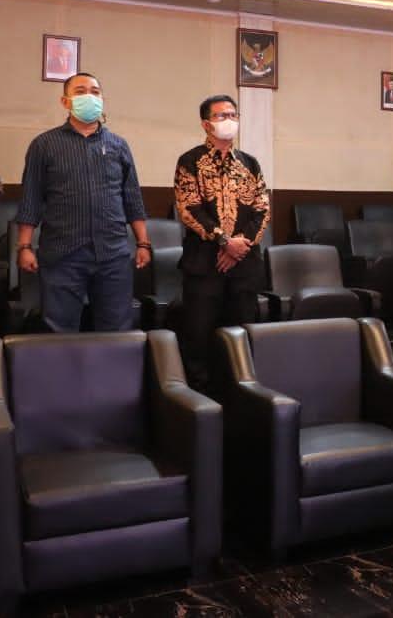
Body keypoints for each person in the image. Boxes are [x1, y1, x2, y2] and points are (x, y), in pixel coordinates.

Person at [16, 72, 151, 333]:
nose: (89, 96)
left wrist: (143, 243)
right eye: (80, 92)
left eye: (95, 92)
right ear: (65, 101)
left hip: (112, 254)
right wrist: (24, 246)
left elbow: (132, 197)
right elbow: (31, 197)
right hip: (62, 253)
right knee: (59, 330)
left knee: (116, 330)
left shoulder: (119, 145)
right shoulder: (44, 144)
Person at [173, 95, 269, 390]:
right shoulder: (190, 161)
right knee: (199, 338)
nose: (229, 120)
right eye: (221, 116)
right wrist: (224, 241)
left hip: (244, 266)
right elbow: (189, 209)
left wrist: (239, 247)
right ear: (206, 124)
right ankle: (200, 400)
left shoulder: (250, 163)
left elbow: (262, 209)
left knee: (241, 336)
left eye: (233, 115)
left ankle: (242, 394)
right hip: (204, 265)